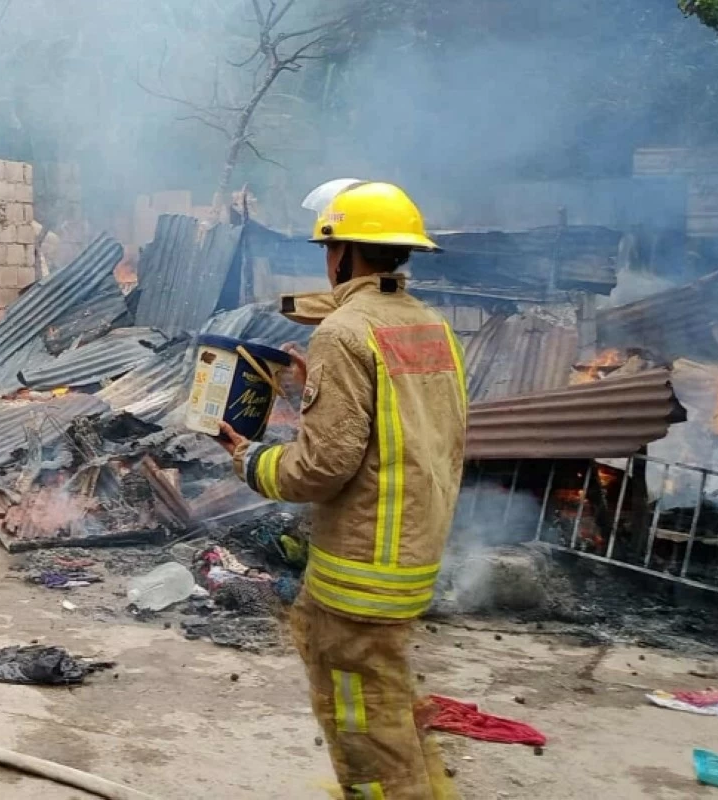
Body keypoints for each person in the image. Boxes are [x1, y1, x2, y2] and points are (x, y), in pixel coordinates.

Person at [217, 181, 466, 800]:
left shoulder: (345, 331)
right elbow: (400, 430)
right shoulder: (431, 327)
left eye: (328, 250)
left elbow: (320, 469)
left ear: (345, 253)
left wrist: (250, 460)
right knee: (387, 699)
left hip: (360, 570)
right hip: (412, 554)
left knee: (363, 731)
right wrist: (315, 396)